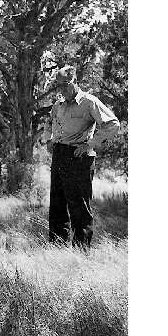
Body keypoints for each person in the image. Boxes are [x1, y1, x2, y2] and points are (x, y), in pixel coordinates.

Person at [45, 65, 120, 249]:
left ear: (75, 82)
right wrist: (50, 140)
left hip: (79, 158)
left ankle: (80, 252)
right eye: (58, 85)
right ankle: (57, 249)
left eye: (65, 84)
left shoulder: (89, 102)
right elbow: (49, 122)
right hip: (60, 156)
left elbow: (113, 124)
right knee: (57, 205)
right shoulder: (58, 105)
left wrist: (90, 144)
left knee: (79, 207)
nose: (62, 89)